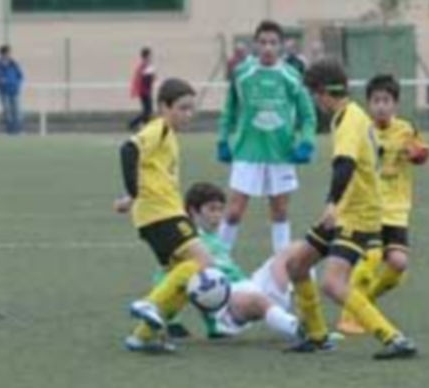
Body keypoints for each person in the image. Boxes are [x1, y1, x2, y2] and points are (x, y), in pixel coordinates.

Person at [280, 59, 417, 359]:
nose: (315, 102)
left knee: (331, 283)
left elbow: (345, 165)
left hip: (357, 214)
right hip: (346, 209)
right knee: (296, 265)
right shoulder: (347, 115)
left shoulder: (349, 120)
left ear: (324, 92)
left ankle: (393, 337)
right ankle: (317, 335)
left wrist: (331, 203)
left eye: (314, 95)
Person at [114, 78, 213, 353]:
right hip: (161, 214)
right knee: (203, 261)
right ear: (163, 107)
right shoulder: (158, 129)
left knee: (183, 281)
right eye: (182, 108)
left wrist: (129, 199)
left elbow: (149, 172)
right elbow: (128, 149)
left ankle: (142, 336)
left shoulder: (168, 136)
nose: (187, 115)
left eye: (191, 109)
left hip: (160, 214)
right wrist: (133, 194)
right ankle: (149, 303)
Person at [335, 74, 429, 335]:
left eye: (386, 100)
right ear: (368, 104)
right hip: (370, 206)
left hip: (397, 210)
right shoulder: (362, 129)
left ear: (395, 104)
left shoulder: (406, 128)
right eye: (376, 100)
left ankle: (366, 301)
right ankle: (349, 316)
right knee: (371, 259)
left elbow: (422, 152)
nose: (381, 106)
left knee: (398, 264)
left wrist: (418, 154)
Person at [151, 182, 306, 341]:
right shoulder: (186, 243)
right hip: (226, 304)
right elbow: (165, 275)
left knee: (298, 250)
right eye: (211, 209)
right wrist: (172, 323)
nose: (217, 215)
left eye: (220, 209)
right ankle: (298, 330)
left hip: (249, 285)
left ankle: (305, 318)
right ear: (193, 211)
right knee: (257, 301)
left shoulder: (213, 239)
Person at [217, 20, 317, 255]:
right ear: (255, 45)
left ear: (282, 46)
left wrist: (306, 142)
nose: (268, 48)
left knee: (280, 212)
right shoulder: (242, 74)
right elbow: (230, 109)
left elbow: (308, 115)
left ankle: (281, 267)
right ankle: (217, 262)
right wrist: (223, 139)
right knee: (233, 212)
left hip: (281, 153)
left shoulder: (291, 76)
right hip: (247, 152)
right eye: (263, 42)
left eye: (273, 43)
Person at [0, 44, 24, 134]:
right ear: (2, 54)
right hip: (4, 91)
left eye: (9, 53)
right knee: (7, 111)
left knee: (16, 110)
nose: (9, 55)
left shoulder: (14, 64)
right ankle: (10, 129)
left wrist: (17, 84)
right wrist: (1, 82)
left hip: (14, 90)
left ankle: (18, 129)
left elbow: (20, 75)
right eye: (7, 53)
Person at [128, 47, 156, 130]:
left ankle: (144, 125)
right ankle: (133, 123)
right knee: (148, 111)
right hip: (144, 91)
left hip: (145, 91)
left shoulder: (145, 66)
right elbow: (146, 80)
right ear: (146, 56)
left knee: (148, 110)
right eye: (150, 55)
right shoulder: (145, 66)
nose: (151, 57)